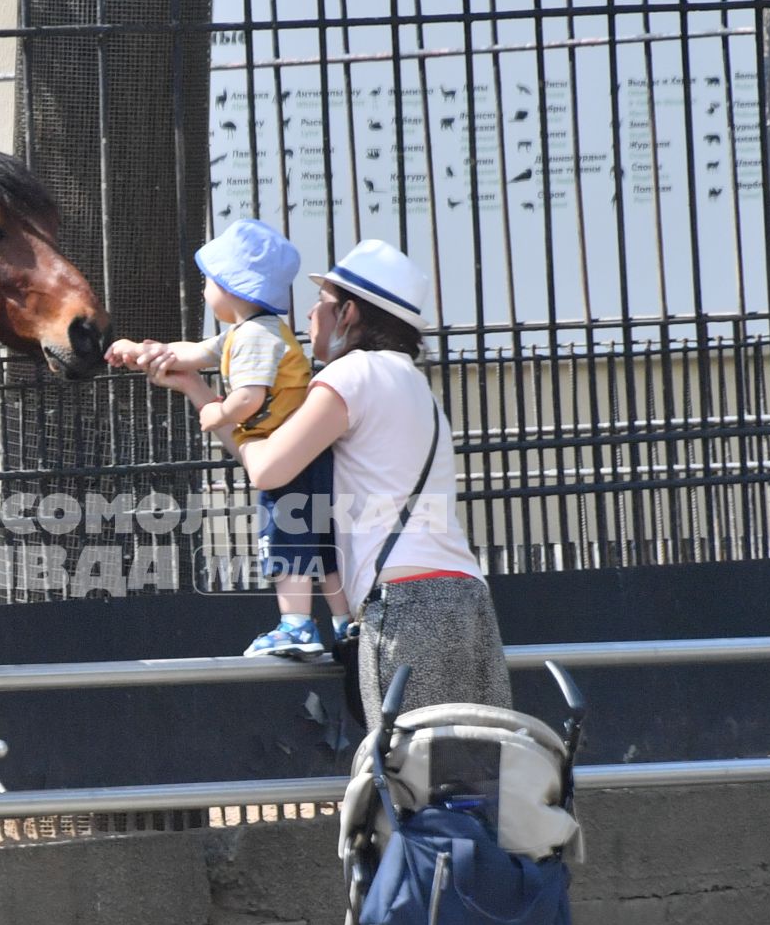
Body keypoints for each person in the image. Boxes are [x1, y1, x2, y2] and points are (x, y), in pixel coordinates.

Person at [138, 237, 511, 721]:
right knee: (471, 770)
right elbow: (277, 456)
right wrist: (194, 384)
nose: (310, 314)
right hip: (466, 598)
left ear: (350, 313)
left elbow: (269, 467)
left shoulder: (351, 375)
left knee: (410, 768)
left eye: (322, 302)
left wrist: (208, 402)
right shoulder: (412, 382)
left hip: (407, 605)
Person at [106, 218, 350, 658]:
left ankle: (296, 626)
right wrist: (138, 352)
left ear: (233, 286)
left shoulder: (255, 337)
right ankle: (344, 622)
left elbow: (250, 397)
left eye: (209, 281)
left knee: (287, 539)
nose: (203, 291)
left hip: (286, 453)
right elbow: (191, 353)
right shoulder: (249, 332)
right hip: (306, 451)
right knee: (322, 542)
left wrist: (219, 410)